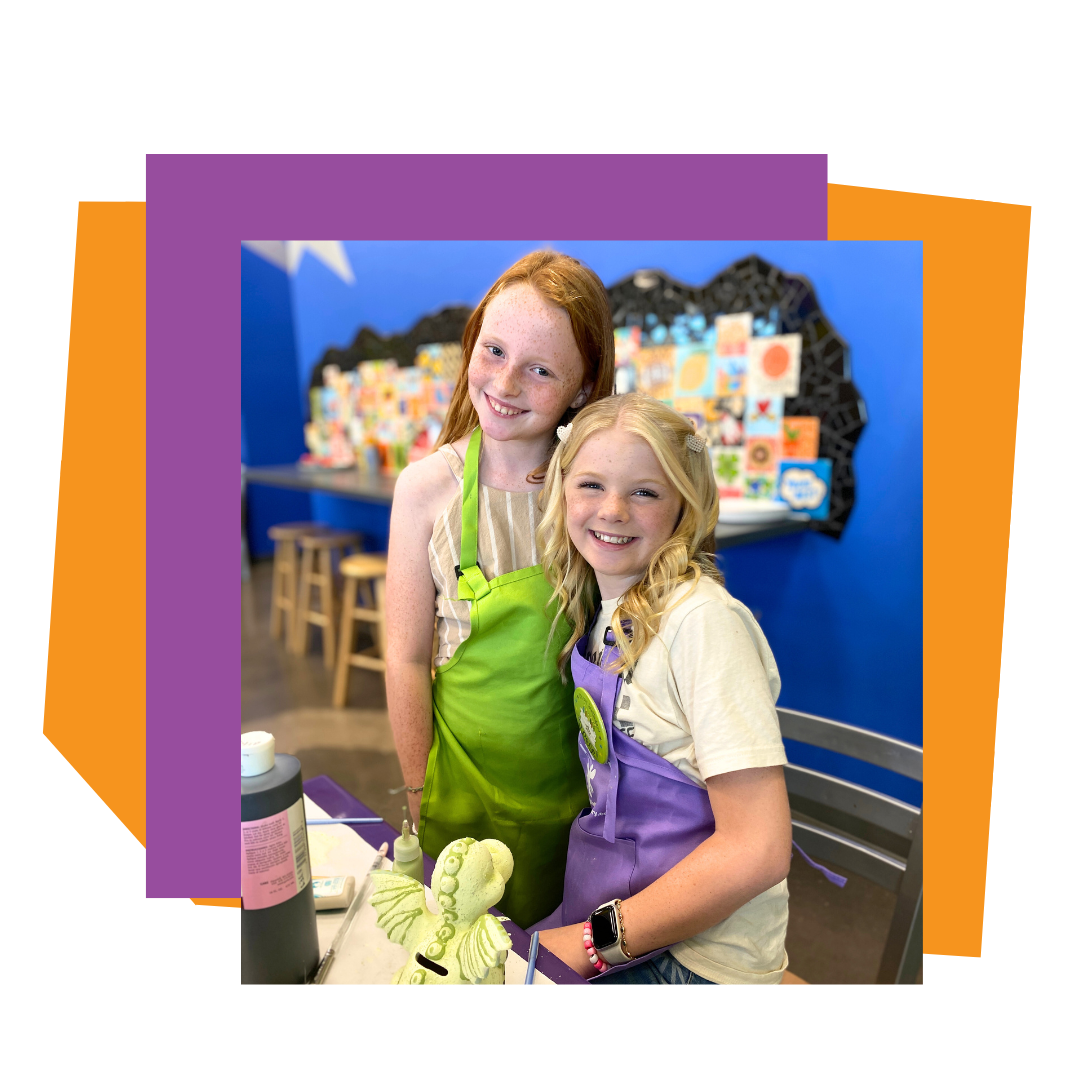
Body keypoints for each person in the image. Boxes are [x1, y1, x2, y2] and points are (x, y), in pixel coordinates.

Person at [384, 250, 615, 930]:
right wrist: (419, 788)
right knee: (462, 945)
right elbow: (402, 659)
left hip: (576, 799)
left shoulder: (595, 494)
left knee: (555, 953)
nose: (506, 382)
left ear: (581, 388)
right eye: (494, 351)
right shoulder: (426, 490)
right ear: (472, 345)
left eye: (541, 369)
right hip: (458, 789)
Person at [530, 392, 793, 984]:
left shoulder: (702, 624)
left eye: (645, 492)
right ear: (561, 492)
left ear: (684, 506)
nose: (613, 510)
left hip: (700, 953)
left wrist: (593, 942)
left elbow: (759, 849)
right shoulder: (603, 604)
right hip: (630, 902)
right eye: (591, 485)